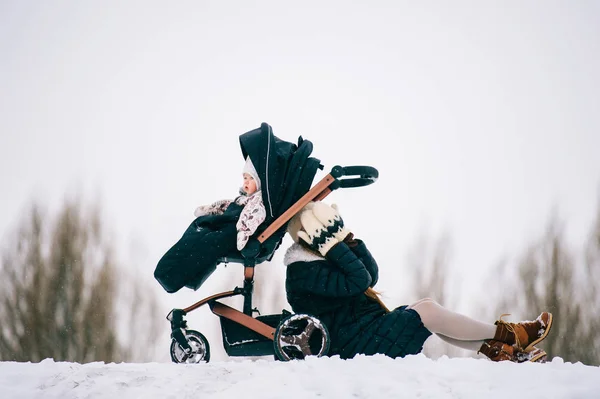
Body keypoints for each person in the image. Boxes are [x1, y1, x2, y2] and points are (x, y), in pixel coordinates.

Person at [284, 202, 553, 363]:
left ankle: (500, 351)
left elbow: (371, 274)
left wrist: (346, 239)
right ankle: (511, 335)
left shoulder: (320, 260)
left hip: (361, 334)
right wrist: (332, 245)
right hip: (352, 347)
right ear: (310, 237)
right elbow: (359, 280)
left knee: (425, 306)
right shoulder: (302, 273)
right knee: (427, 313)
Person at [154, 156, 266, 293]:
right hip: (226, 225)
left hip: (233, 233)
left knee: (209, 241)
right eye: (245, 178)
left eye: (251, 179)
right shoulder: (244, 199)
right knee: (200, 227)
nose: (246, 183)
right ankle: (177, 274)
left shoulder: (258, 202)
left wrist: (243, 234)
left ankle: (173, 276)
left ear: (260, 181)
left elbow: (251, 217)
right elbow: (227, 206)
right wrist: (211, 210)